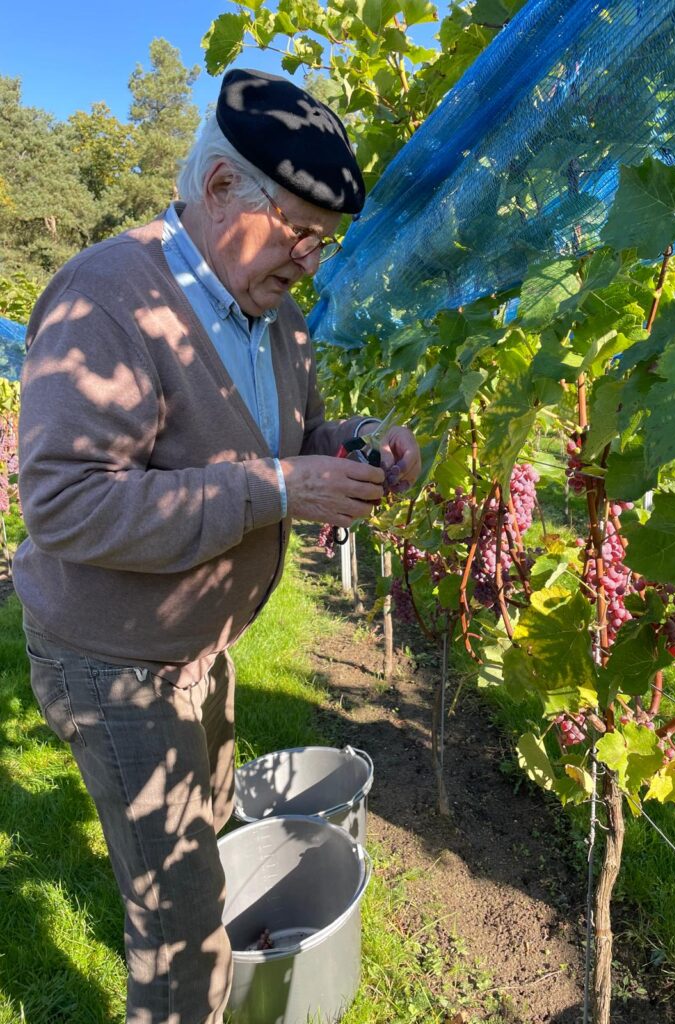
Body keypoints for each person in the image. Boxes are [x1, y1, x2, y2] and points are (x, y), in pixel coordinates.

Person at [14, 68, 420, 1023]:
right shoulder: (107, 298)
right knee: (181, 918)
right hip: (115, 659)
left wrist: (360, 445)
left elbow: (295, 438)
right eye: (297, 230)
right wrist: (273, 489)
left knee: (210, 824)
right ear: (221, 185)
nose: (309, 260)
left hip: (202, 644)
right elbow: (66, 503)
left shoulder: (277, 320)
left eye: (324, 241)